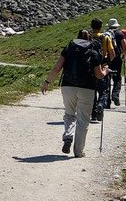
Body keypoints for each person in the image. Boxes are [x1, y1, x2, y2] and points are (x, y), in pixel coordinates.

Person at [42, 29, 109, 158]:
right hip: (87, 88)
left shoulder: (69, 49)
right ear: (90, 39)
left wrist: (47, 81)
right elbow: (99, 75)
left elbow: (57, 67)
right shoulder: (93, 52)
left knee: (69, 114)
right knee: (83, 120)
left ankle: (68, 136)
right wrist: (106, 71)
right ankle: (78, 151)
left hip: (68, 86)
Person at [89, 18, 116, 119]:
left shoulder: (88, 37)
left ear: (92, 26)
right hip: (103, 65)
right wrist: (108, 63)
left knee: (92, 90)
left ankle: (93, 114)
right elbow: (112, 53)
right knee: (102, 89)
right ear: (101, 27)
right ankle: (101, 104)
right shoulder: (105, 38)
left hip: (90, 66)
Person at [106, 18, 126, 106]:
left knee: (106, 78)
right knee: (117, 78)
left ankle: (106, 100)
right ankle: (115, 95)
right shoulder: (119, 34)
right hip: (116, 58)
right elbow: (125, 47)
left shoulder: (105, 34)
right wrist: (124, 55)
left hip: (106, 59)